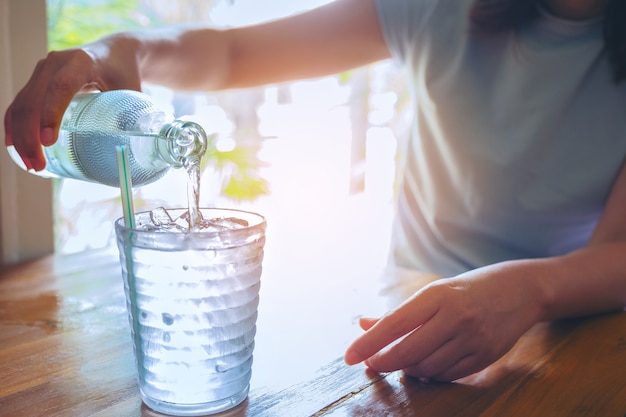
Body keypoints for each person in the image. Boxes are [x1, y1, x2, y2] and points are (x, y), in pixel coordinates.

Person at [5, 0, 626, 382]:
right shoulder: (441, 6)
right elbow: (230, 53)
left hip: (575, 327)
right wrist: (119, 47)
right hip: (400, 315)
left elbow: (615, 252)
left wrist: (529, 290)